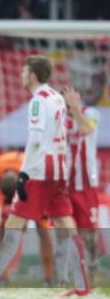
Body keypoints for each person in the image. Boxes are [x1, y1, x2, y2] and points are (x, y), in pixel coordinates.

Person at [0, 55, 89, 297]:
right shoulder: (56, 96)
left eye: (24, 72)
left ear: (33, 76)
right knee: (65, 220)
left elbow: (35, 139)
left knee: (14, 222)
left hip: (40, 170)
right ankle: (81, 284)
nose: (21, 75)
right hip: (59, 168)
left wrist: (24, 173)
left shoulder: (37, 101)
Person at [0, 151, 54, 286]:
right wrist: (12, 208)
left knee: (43, 229)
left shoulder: (33, 170)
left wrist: (23, 216)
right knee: (4, 229)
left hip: (35, 192)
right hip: (10, 192)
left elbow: (43, 188)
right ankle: (2, 273)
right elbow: (4, 191)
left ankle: (49, 276)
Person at [62, 85, 101, 287]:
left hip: (86, 184)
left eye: (73, 95)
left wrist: (75, 108)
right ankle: (69, 275)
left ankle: (93, 266)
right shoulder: (59, 120)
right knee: (66, 232)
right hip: (65, 185)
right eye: (67, 97)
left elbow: (86, 129)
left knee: (89, 235)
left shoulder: (91, 113)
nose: (71, 99)